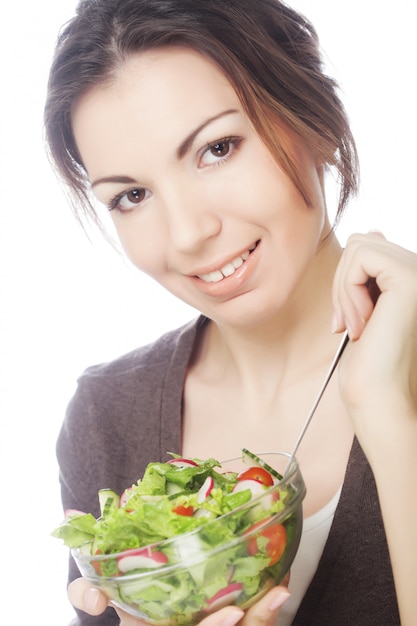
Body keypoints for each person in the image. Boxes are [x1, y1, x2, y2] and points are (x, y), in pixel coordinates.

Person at [44, 1, 417, 624]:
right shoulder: (107, 417)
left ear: (315, 119)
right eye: (132, 195)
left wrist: (389, 417)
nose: (189, 233)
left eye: (217, 148)